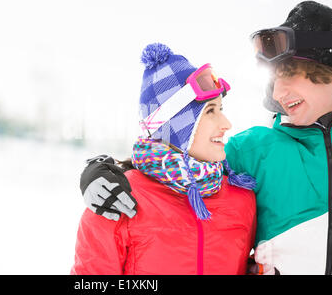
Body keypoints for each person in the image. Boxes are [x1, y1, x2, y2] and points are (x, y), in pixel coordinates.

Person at [78, 1, 332, 275]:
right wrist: (99, 171)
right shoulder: (255, 151)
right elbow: (175, 158)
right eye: (274, 80)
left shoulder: (239, 199)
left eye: (290, 76)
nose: (276, 93)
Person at [71, 43, 257, 275]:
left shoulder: (242, 199)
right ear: (176, 126)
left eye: (221, 108)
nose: (226, 124)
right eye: (210, 111)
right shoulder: (117, 200)